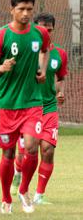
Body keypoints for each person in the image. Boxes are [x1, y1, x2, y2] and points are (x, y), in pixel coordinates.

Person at [0, 0, 50, 214]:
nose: (25, 14)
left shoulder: (40, 33)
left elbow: (45, 51)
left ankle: (24, 190)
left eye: (29, 10)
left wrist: (42, 70)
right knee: (8, 154)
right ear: (11, 9)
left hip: (32, 102)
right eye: (21, 9)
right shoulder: (1, 36)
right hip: (7, 105)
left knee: (32, 147)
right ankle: (6, 198)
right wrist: (1, 68)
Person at [31, 13, 68, 204]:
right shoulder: (28, 50)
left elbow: (61, 77)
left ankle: (39, 195)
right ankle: (17, 175)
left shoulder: (60, 53)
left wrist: (60, 91)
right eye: (42, 28)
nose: (46, 32)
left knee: (47, 150)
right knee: (26, 152)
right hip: (28, 107)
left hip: (49, 108)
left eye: (49, 29)